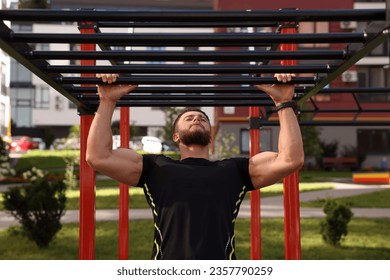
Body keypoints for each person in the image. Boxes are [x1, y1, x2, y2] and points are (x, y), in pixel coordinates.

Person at [86, 73, 304, 260]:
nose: (197, 119)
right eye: (189, 118)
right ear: (176, 136)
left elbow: (290, 159)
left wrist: (283, 104)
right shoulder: (156, 167)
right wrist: (106, 102)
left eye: (202, 119)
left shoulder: (234, 170)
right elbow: (98, 156)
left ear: (210, 137)